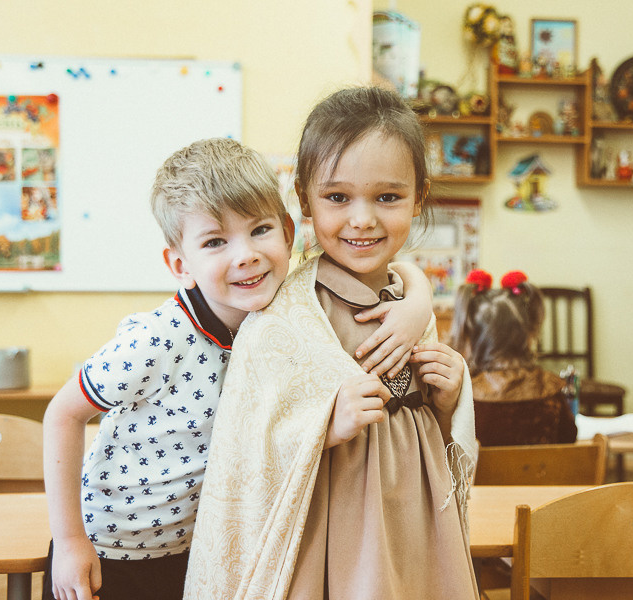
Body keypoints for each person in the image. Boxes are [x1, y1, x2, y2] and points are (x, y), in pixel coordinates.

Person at [42, 137, 434, 600]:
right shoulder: (156, 340)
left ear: (289, 234)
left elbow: (388, 268)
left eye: (259, 230)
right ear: (180, 264)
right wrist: (69, 542)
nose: (244, 254)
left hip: (206, 550)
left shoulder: (290, 316)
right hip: (110, 552)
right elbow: (63, 414)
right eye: (215, 241)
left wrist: (419, 302)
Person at [184, 87, 479, 599]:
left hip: (417, 516)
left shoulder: (407, 301)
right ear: (303, 198)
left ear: (420, 197)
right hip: (336, 528)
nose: (361, 219)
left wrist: (449, 395)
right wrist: (323, 423)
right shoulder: (285, 314)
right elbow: (248, 447)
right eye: (337, 197)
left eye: (387, 197)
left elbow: (429, 414)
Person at [450, 269, 578, 446]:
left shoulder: (465, 399)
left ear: (471, 335)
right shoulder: (551, 393)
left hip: (486, 475)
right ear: (529, 333)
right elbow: (569, 441)